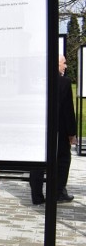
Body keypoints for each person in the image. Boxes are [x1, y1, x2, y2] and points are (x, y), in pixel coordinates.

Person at [29, 55, 77, 204]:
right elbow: (68, 110)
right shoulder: (64, 82)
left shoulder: (36, 83)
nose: (66, 66)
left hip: (37, 128)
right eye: (64, 63)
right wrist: (71, 132)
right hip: (59, 130)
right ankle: (58, 192)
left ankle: (37, 196)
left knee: (37, 161)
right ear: (57, 64)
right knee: (63, 160)